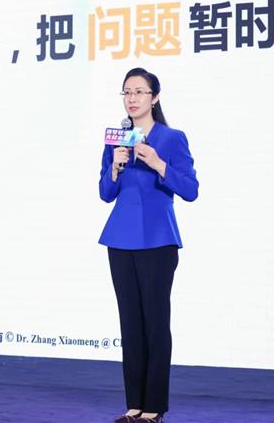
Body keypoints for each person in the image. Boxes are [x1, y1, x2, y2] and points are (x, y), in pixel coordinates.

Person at [99, 67, 199, 423]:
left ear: (154, 98)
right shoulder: (116, 139)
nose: (132, 98)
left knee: (155, 324)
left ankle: (153, 408)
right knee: (130, 325)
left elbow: (190, 190)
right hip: (120, 239)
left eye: (139, 92)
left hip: (157, 239)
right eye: (127, 92)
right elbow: (105, 193)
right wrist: (114, 167)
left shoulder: (172, 138)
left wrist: (158, 164)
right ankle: (134, 406)